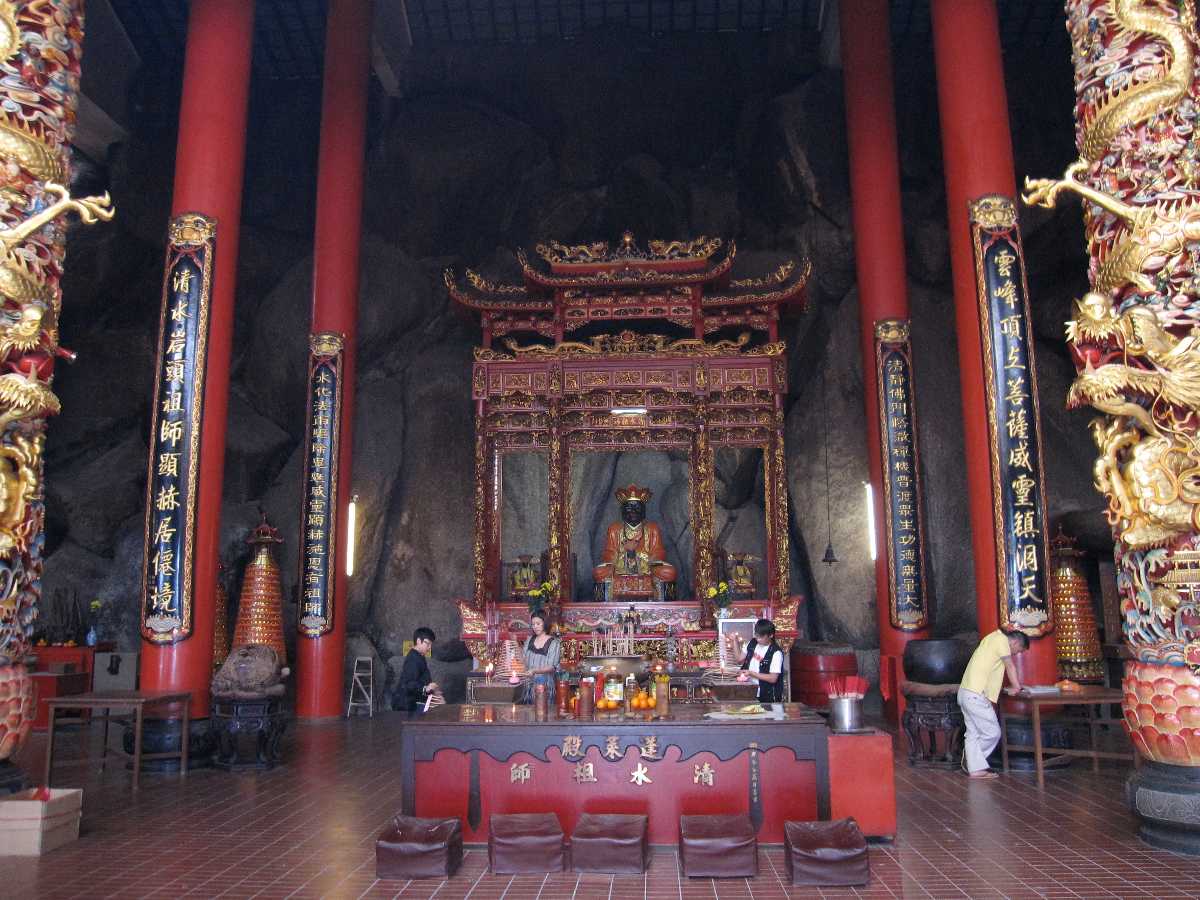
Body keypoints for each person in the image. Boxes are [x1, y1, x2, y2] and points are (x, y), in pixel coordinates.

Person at [957, 628, 1030, 779]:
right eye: (1018, 650)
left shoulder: (991, 638)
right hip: (975, 695)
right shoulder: (1001, 640)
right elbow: (1009, 666)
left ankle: (975, 770)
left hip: (966, 692)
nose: (1016, 654)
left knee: (973, 733)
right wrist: (1017, 686)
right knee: (993, 733)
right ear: (1015, 642)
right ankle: (971, 760)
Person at [739, 618, 785, 703]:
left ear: (771, 635)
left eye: (761, 637)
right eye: (756, 636)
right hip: (750, 692)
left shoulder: (775, 653)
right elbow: (740, 659)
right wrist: (734, 641)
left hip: (768, 695)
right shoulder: (752, 643)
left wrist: (751, 673)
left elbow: (773, 678)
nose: (758, 639)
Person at [397, 626, 439, 715]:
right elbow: (408, 684)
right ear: (418, 641)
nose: (429, 647)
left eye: (431, 645)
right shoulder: (413, 658)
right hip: (411, 705)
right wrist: (425, 688)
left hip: (417, 702)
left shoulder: (420, 656)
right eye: (427, 644)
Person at [521, 610, 560, 703]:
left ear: (545, 623)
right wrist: (514, 643)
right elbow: (523, 659)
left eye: (538, 623)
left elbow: (552, 667)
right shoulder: (530, 639)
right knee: (529, 714)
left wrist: (535, 671)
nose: (535, 627)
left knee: (544, 713)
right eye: (533, 624)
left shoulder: (553, 642)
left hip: (545, 685)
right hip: (529, 686)